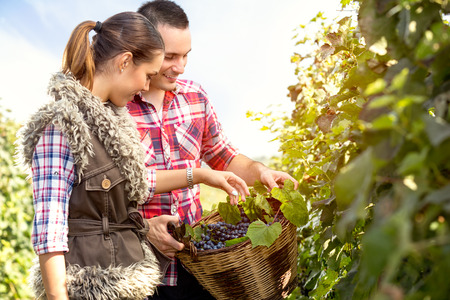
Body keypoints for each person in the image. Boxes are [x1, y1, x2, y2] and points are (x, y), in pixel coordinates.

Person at [16, 11, 249, 300]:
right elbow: (50, 226)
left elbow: (135, 181)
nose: (147, 86)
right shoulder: (60, 125)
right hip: (89, 285)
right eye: (148, 75)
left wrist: (199, 174)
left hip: (125, 281)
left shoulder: (114, 121)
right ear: (124, 61)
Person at [127, 1, 299, 299]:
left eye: (185, 56)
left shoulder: (195, 96)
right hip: (137, 269)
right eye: (170, 56)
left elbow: (225, 156)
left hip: (200, 264)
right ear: (142, 48)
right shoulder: (114, 106)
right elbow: (95, 197)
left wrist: (262, 171)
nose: (179, 67)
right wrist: (142, 226)